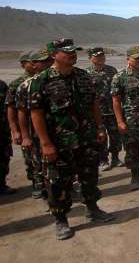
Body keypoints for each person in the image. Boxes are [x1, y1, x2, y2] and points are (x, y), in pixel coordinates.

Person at [29, 39, 114, 240]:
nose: (72, 55)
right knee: (59, 181)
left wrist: (100, 127)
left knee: (90, 176)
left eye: (74, 51)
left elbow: (94, 104)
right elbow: (36, 113)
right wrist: (45, 143)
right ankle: (61, 220)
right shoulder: (42, 80)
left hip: (86, 138)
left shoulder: (83, 77)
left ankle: (92, 208)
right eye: (67, 52)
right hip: (59, 142)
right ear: (53, 55)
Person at [15, 47, 53, 202]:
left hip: (57, 131)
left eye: (48, 61)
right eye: (42, 62)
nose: (47, 64)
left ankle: (60, 190)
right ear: (32, 64)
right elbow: (20, 112)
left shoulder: (57, 81)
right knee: (38, 162)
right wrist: (23, 135)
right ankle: (43, 190)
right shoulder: (25, 85)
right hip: (35, 132)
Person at [111, 45, 139, 190]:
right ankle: (136, 176)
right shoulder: (120, 76)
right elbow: (116, 100)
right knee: (133, 148)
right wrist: (120, 121)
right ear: (128, 59)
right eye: (137, 58)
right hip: (131, 119)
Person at [6, 50, 39, 197]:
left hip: (44, 128)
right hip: (28, 128)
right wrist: (15, 131)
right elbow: (11, 109)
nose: (34, 65)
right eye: (30, 62)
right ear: (23, 64)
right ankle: (37, 185)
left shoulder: (43, 80)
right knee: (30, 158)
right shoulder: (17, 84)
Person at [85, 47, 122, 171]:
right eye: (97, 56)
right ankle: (103, 159)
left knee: (115, 135)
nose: (101, 58)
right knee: (101, 136)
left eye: (102, 56)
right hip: (98, 112)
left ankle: (116, 158)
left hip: (112, 110)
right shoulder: (86, 73)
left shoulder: (112, 70)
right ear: (90, 58)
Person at [0, 77, 16, 194]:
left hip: (2, 130)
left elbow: (10, 106)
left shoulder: (1, 85)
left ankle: (1, 185)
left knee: (3, 157)